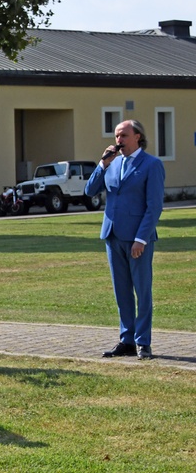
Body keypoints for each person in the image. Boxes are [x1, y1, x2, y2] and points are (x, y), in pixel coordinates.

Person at [85, 119, 165, 360]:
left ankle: (143, 343)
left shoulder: (151, 164)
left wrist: (141, 238)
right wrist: (102, 164)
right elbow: (90, 191)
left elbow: (154, 207)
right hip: (113, 234)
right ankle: (126, 340)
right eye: (116, 135)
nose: (118, 140)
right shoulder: (112, 163)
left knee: (142, 291)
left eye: (123, 135)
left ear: (137, 136)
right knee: (122, 292)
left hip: (138, 238)